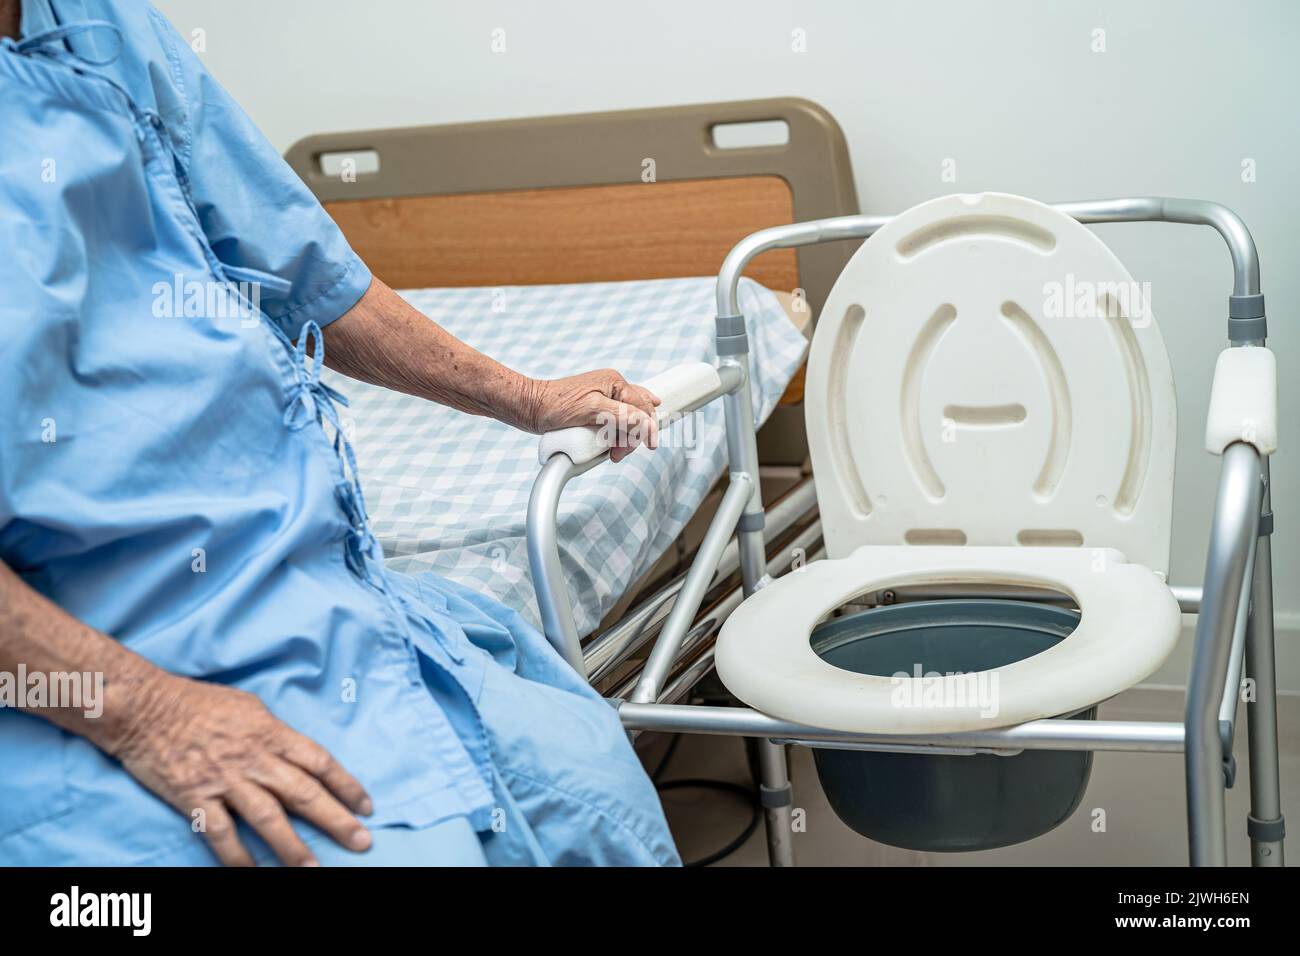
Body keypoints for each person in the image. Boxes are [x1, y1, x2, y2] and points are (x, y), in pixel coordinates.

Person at [0, 0, 680, 866]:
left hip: (291, 581)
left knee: (593, 790)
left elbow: (303, 270)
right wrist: (149, 712)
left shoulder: (104, 20)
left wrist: (528, 398)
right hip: (79, 648)